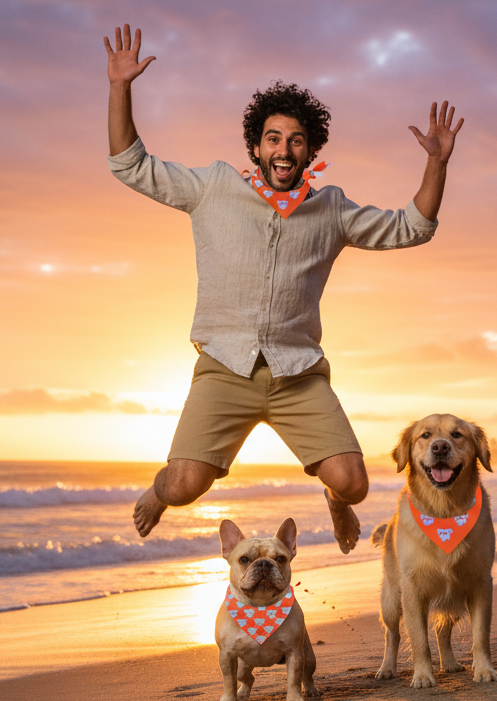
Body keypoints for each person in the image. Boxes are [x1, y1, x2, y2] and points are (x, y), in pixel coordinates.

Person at [103, 25, 464, 553]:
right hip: (224, 367)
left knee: (354, 483)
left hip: (298, 374)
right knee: (183, 488)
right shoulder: (212, 189)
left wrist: (437, 162)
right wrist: (120, 87)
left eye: (296, 140)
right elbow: (128, 164)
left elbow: (413, 227)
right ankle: (159, 494)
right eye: (273, 138)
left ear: (309, 150)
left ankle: (333, 500)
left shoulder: (332, 210)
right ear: (256, 145)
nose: (284, 149)